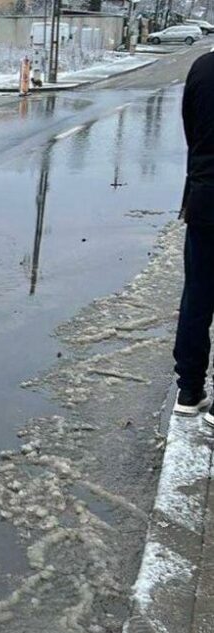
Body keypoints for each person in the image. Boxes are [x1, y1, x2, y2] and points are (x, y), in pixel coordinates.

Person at [174, 51, 214, 417]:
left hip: (204, 199)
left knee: (197, 297)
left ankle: (189, 389)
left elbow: (191, 129)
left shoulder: (201, 68)